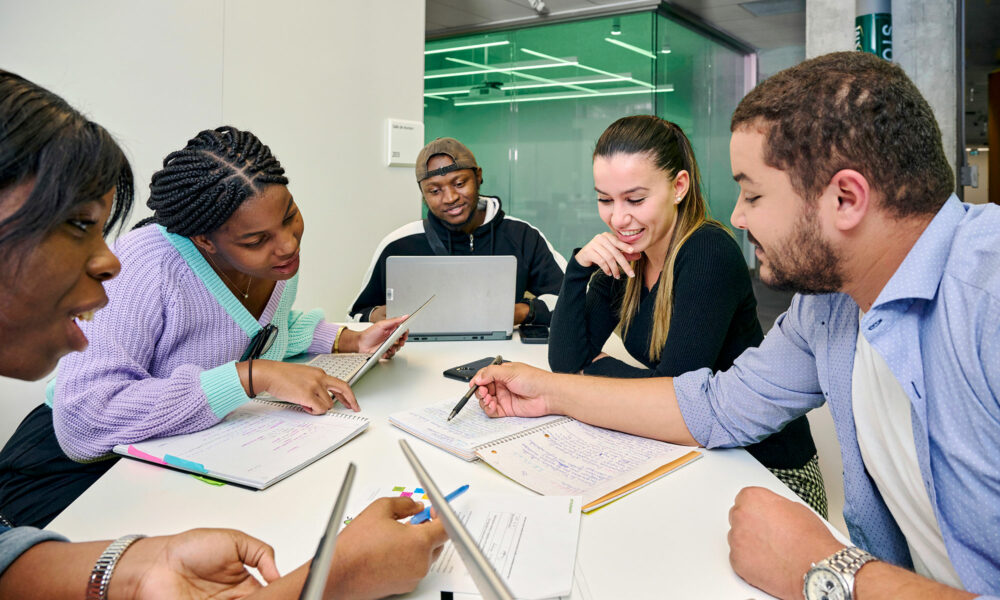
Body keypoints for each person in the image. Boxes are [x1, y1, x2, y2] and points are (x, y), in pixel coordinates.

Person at [471, 51, 999, 600]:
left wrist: (833, 572)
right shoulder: (829, 305)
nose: (739, 217)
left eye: (753, 193)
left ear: (846, 198)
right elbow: (717, 405)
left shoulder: (988, 297)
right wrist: (548, 390)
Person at [0, 69, 446, 598]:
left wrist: (346, 339)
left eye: (291, 215)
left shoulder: (278, 262)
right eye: (257, 238)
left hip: (171, 450)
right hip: (77, 465)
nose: (285, 246)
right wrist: (247, 378)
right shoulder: (147, 265)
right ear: (205, 242)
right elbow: (85, 420)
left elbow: (260, 331)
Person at [548, 115, 825, 515]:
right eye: (605, 200)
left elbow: (676, 398)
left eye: (635, 199)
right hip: (699, 455)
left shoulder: (708, 252)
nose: (618, 219)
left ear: (679, 187)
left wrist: (595, 371)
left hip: (767, 469)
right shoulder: (627, 254)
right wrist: (578, 269)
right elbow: (566, 360)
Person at [349, 137, 566, 325]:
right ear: (423, 195)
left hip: (500, 358)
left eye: (460, 183)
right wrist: (377, 315)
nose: (450, 197)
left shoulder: (522, 235)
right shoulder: (398, 244)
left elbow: (571, 300)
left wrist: (520, 312)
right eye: (434, 191)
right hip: (417, 358)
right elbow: (355, 315)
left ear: (478, 176)